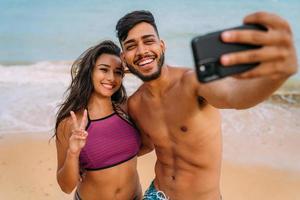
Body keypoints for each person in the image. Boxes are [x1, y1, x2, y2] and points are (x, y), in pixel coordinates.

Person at [115, 10, 298, 199]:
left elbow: (235, 96)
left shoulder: (193, 83)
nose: (142, 50)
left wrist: (276, 75)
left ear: (162, 46)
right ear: (124, 57)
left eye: (148, 41)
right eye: (131, 46)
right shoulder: (136, 104)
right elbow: (142, 146)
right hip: (157, 194)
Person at [54, 40, 143, 200]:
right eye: (104, 70)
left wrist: (136, 69)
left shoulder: (127, 108)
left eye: (118, 72)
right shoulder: (70, 122)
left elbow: (158, 87)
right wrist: (73, 154)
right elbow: (66, 186)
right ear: (90, 72)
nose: (111, 78)